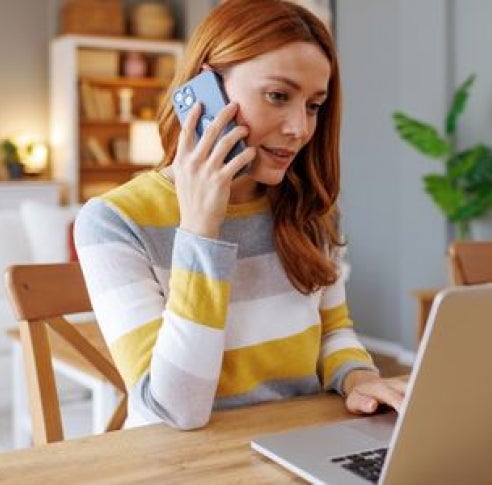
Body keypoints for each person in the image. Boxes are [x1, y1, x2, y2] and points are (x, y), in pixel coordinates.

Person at [74, 0, 406, 430]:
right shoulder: (113, 221)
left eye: (313, 105)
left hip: (297, 446)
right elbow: (178, 410)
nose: (300, 129)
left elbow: (332, 331)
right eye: (278, 96)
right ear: (204, 90)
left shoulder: (305, 208)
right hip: (182, 465)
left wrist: (357, 377)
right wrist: (201, 231)